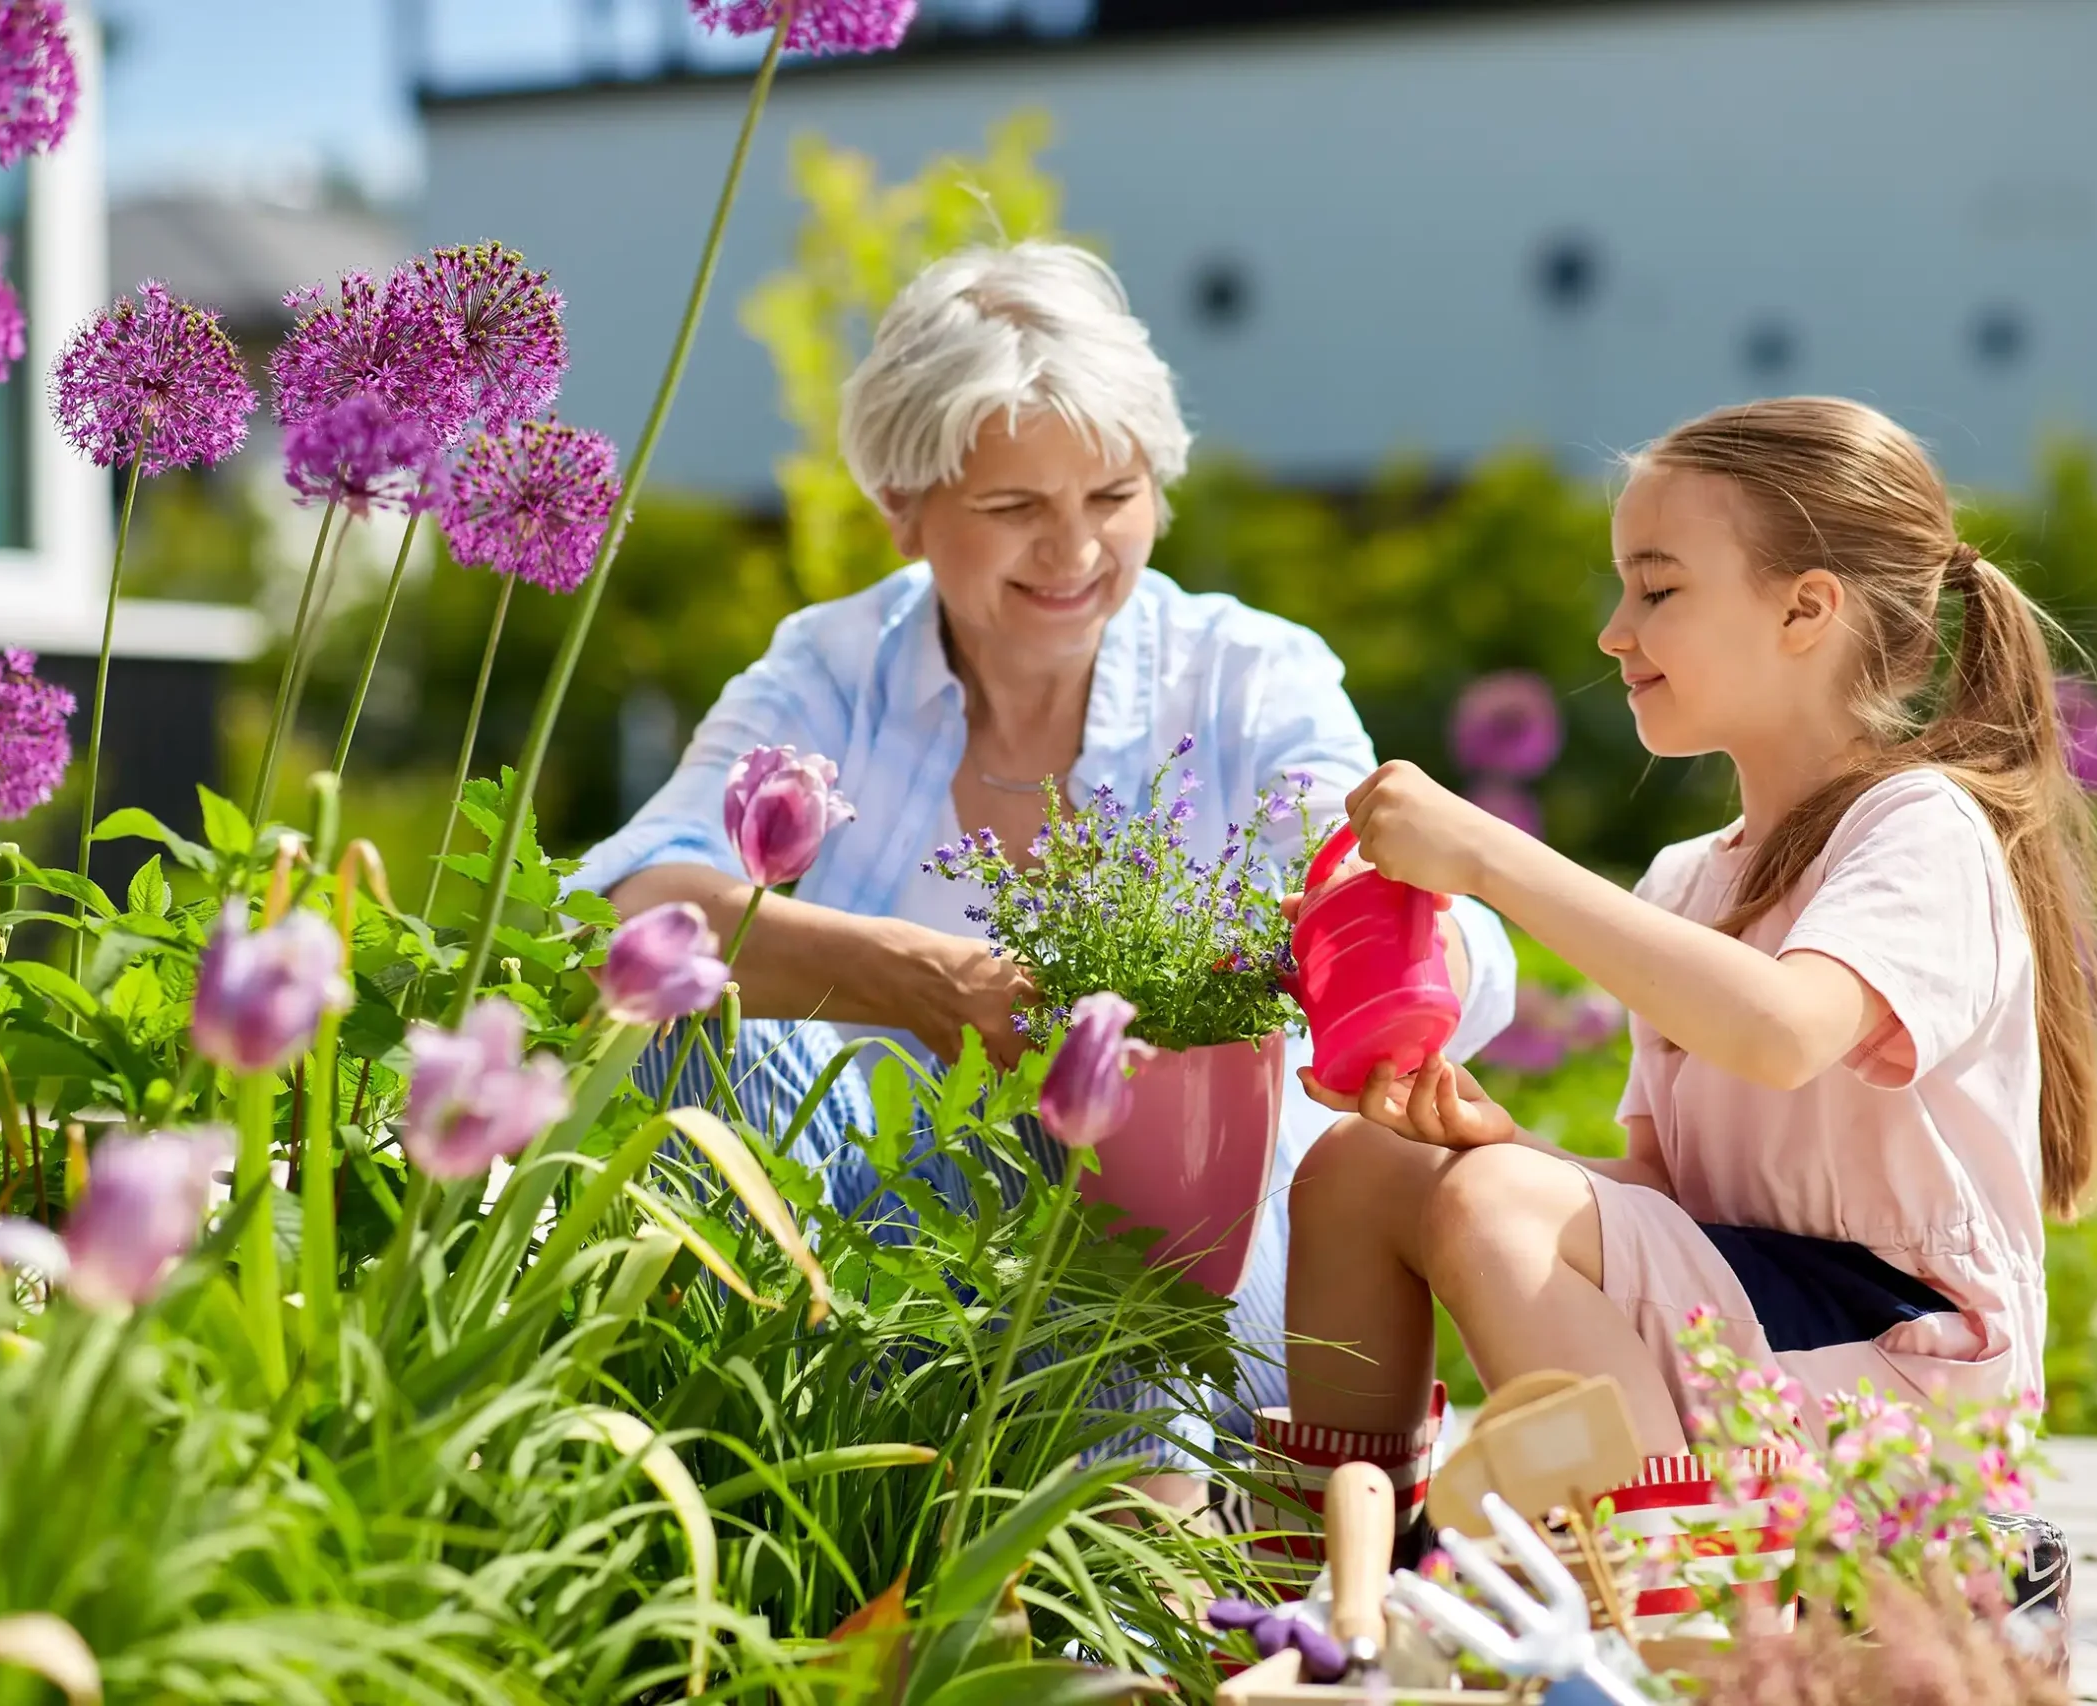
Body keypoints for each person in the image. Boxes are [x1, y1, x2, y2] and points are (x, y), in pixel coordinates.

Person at [568, 240, 1515, 1506]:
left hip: (1194, 1278)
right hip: (875, 1260)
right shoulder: (834, 663)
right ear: (904, 509)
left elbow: (1385, 897)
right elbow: (631, 904)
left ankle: (1114, 1595)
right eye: (1015, 506)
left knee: (1098, 1155)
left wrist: (1380, 966)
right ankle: (769, 1486)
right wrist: (924, 981)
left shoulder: (1247, 673)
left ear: (1159, 495)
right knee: (684, 1010)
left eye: (1112, 497)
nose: (1072, 550)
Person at [1264, 396, 2097, 1555]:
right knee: (1367, 1164)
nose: (1615, 632)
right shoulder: (1688, 876)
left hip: (1906, 1376)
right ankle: (1335, 1578)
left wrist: (1487, 853)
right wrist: (1496, 1141)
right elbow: (1674, 1189)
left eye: (1657, 589)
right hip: (1764, 1329)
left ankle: (1653, 1609)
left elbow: (1780, 1029)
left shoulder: (1919, 826)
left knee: (1482, 1200)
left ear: (1804, 608)